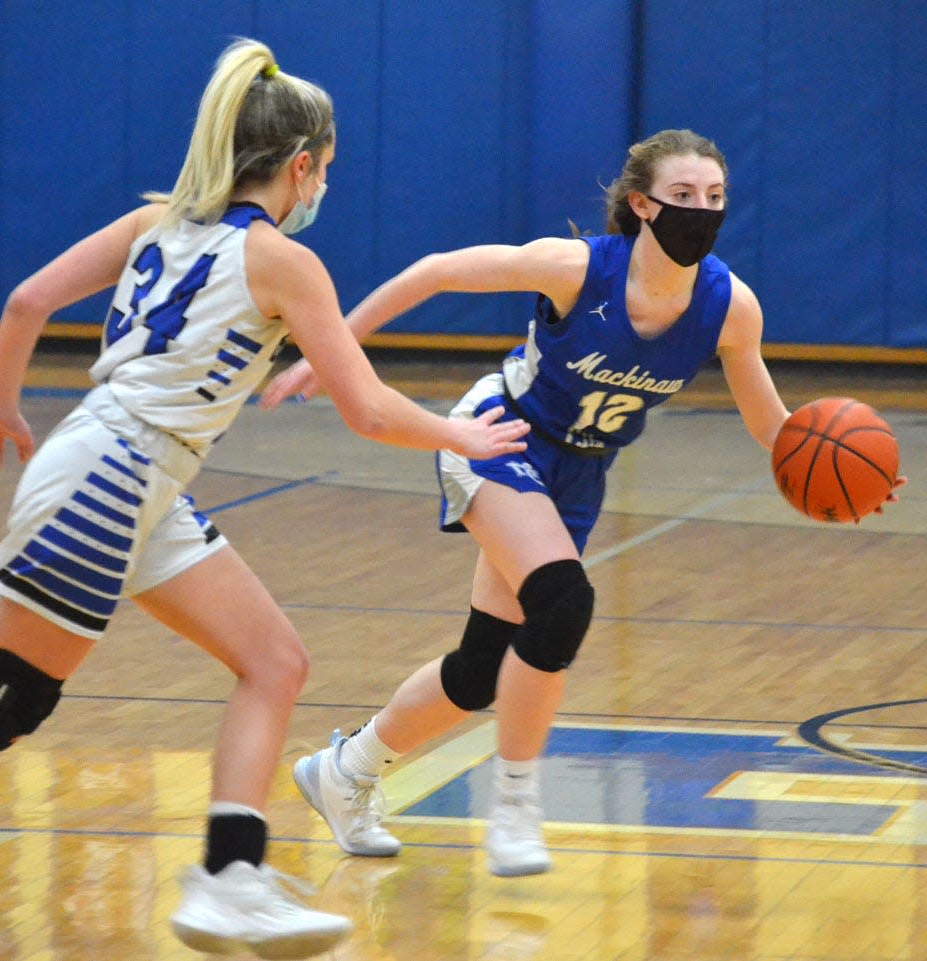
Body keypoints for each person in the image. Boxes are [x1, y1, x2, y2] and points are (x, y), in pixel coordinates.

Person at [0, 38, 530, 961]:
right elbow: (365, 407)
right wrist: (462, 433)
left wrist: (2, 401)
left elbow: (26, 300)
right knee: (5, 703)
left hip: (130, 471)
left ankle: (232, 875)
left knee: (275, 660)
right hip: (113, 472)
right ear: (304, 165)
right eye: (328, 169)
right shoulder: (282, 260)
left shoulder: (156, 221)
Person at [260, 128, 906, 876]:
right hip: (500, 437)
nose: (703, 209)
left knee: (479, 669)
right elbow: (436, 272)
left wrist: (854, 472)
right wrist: (328, 350)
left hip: (580, 474)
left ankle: (344, 770)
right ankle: (513, 807)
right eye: (685, 195)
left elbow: (776, 429)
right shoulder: (576, 269)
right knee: (563, 603)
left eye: (716, 197)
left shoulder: (732, 308)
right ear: (642, 203)